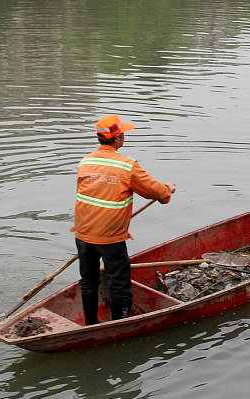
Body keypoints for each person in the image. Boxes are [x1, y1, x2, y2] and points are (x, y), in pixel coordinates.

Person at [73, 114, 175, 326]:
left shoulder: (86, 161)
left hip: (83, 234)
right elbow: (156, 193)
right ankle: (120, 326)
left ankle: (90, 323)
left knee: (88, 281)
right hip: (110, 238)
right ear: (117, 138)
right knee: (119, 283)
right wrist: (168, 190)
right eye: (123, 134)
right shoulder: (127, 166)